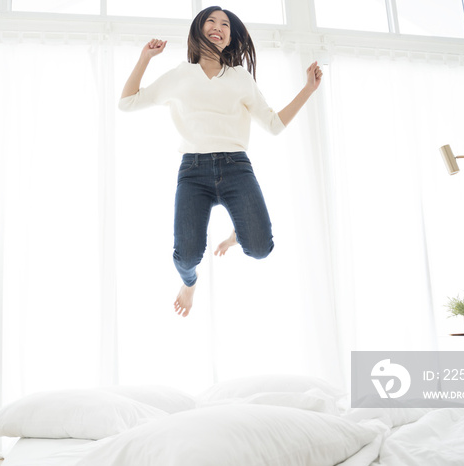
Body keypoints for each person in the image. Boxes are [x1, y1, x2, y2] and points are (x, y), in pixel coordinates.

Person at [119, 6, 322, 318]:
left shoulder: (240, 78)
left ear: (229, 38)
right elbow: (127, 102)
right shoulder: (180, 75)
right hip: (193, 173)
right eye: (210, 21)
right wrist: (145, 57)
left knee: (260, 248)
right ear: (198, 31)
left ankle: (237, 233)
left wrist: (308, 88)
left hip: (236, 168)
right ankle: (190, 283)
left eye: (225, 24)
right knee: (186, 257)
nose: (218, 26)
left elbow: (274, 125)